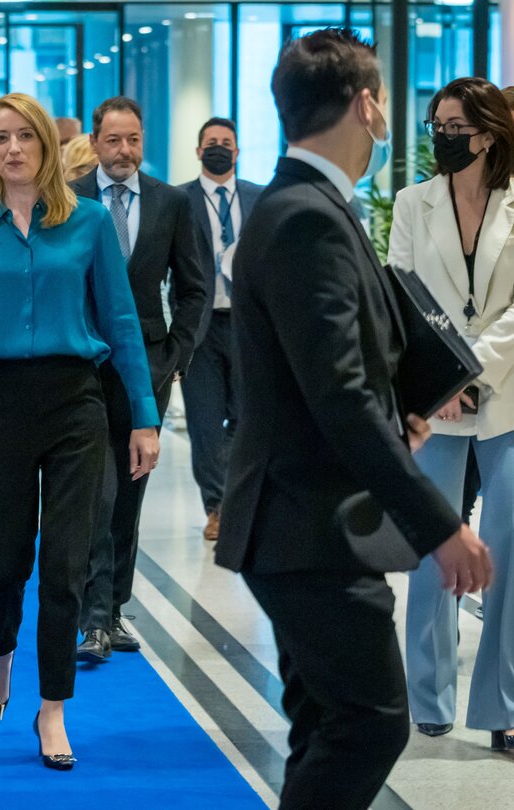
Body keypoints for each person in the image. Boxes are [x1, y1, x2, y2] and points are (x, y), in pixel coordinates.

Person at [215, 30, 494, 807]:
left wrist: (393, 411)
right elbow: (335, 394)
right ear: (365, 103)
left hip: (300, 523)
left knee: (325, 724)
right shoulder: (305, 217)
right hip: (309, 528)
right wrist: (440, 525)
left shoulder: (299, 206)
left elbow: (323, 378)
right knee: (369, 724)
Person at [0, 92, 159, 770]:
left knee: (66, 562)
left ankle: (53, 708)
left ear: (46, 147)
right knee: (3, 559)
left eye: (23, 137)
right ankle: (0, 652)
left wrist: (143, 414)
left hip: (74, 403)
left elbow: (121, 322)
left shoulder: (87, 224)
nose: (11, 149)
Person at [388, 76, 514, 752]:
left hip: (507, 394)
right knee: (430, 549)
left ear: (487, 134)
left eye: (454, 126)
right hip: (436, 402)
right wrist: (442, 375)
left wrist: (476, 365)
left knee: (510, 547)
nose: (442, 135)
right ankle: (427, 695)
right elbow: (401, 292)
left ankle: (502, 704)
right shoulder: (413, 202)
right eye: (436, 123)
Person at [70, 96, 206, 660]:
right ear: (95, 142)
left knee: (128, 495)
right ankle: (93, 618)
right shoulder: (70, 198)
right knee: (95, 496)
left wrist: (176, 353)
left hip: (148, 367)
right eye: (113, 140)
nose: (123, 151)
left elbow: (195, 286)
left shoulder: (170, 202)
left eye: (133, 140)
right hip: (83, 368)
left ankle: (114, 607)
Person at [178, 117, 263, 542]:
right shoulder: (179, 200)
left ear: (237, 150)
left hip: (250, 328)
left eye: (226, 142)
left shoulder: (260, 198)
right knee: (206, 423)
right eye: (210, 142)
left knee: (248, 419)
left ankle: (239, 501)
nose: (218, 148)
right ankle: (216, 506)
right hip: (201, 329)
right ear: (198, 151)